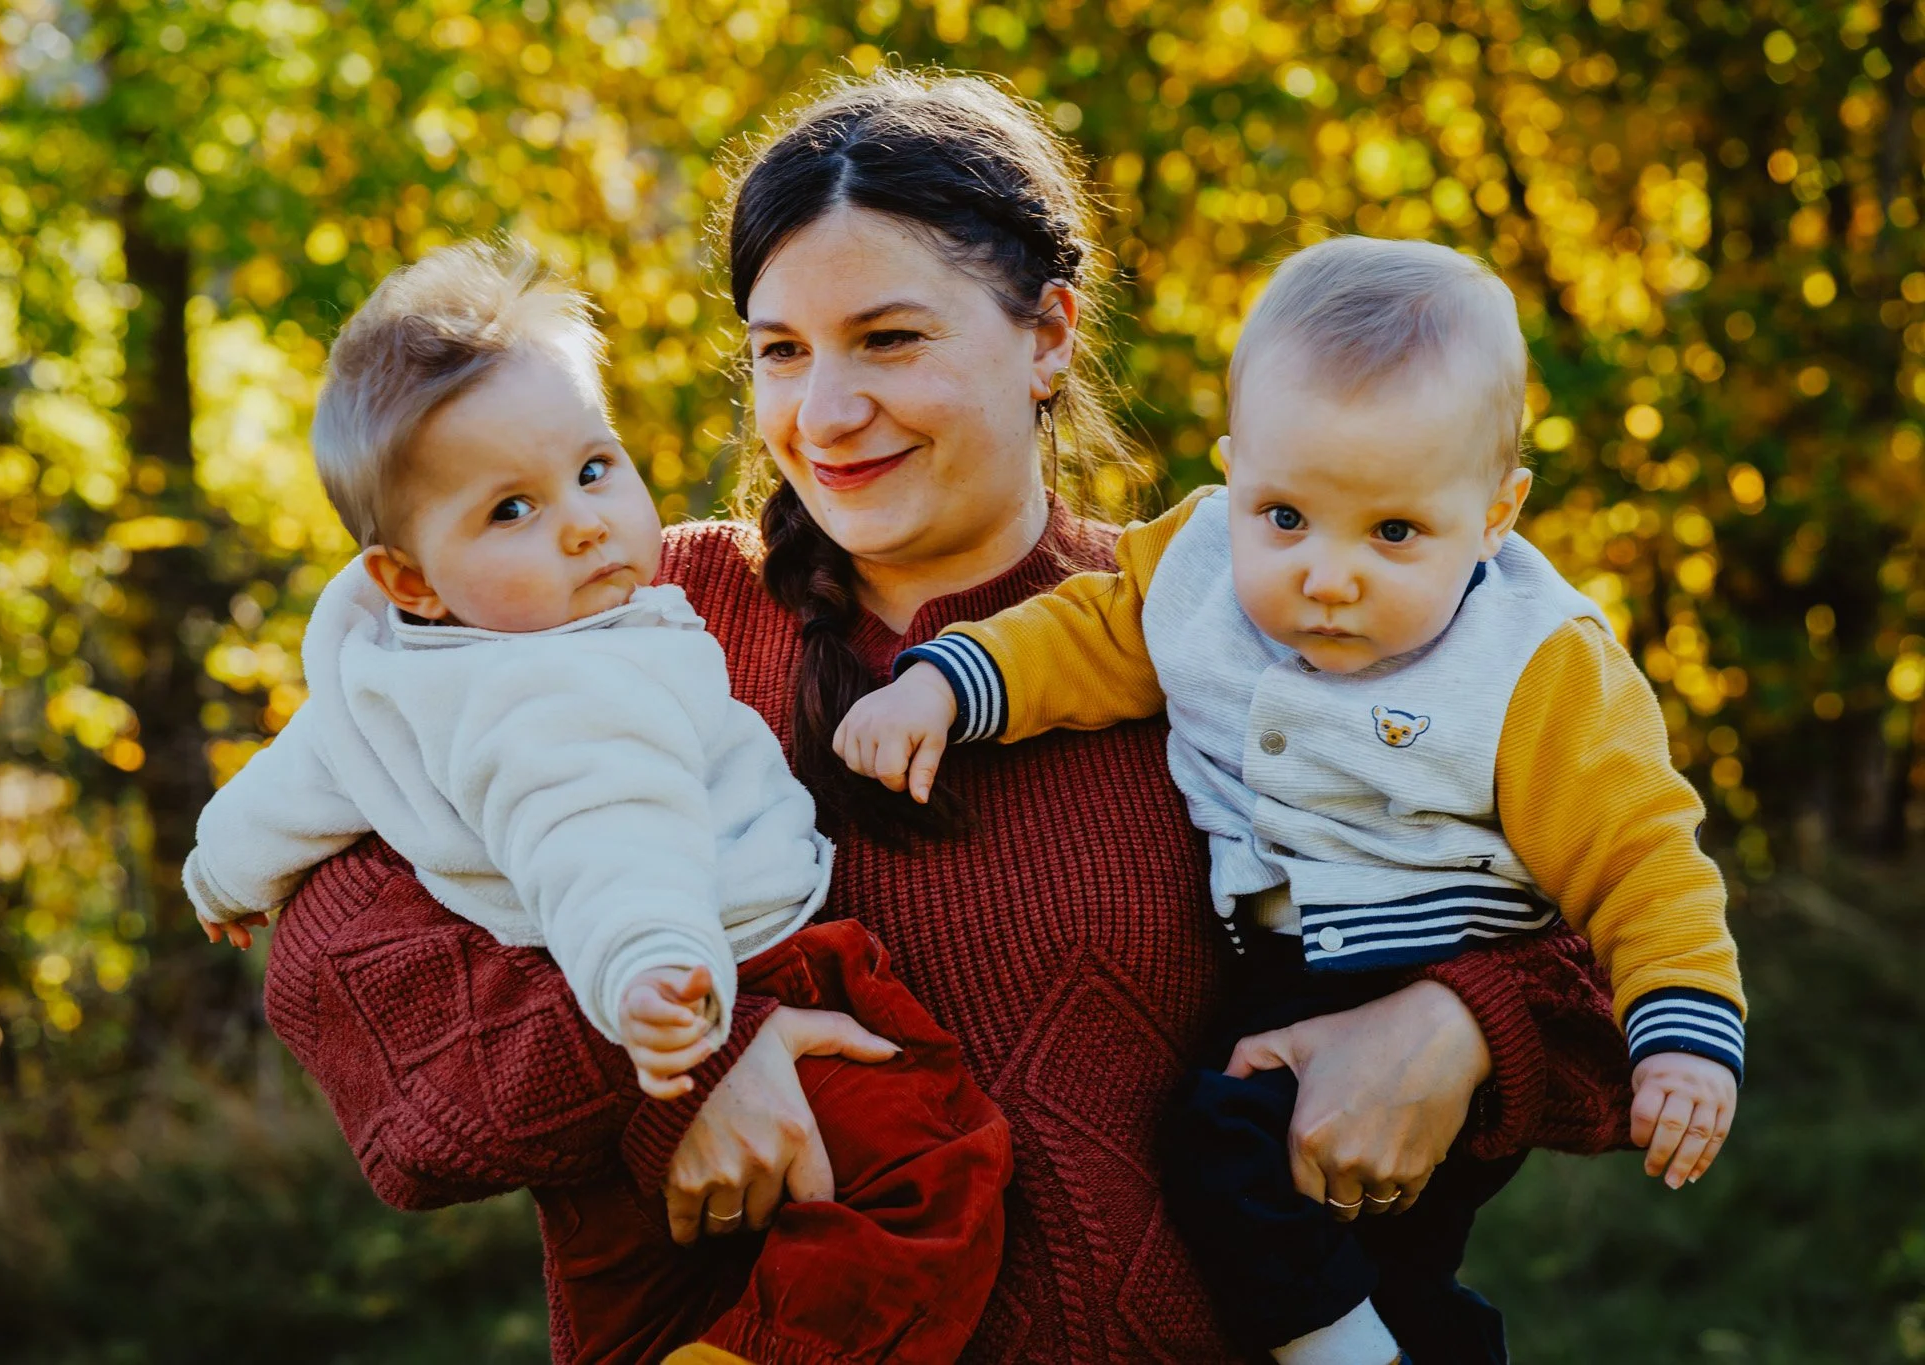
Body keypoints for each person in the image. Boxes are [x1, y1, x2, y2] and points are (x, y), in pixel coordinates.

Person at [258, 72, 1635, 1364]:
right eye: (782, 352)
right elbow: (336, 948)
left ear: (1048, 332)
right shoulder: (622, 619)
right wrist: (673, 1065)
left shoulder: (1230, 614)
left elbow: (1605, 919)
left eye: (890, 339)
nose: (828, 410)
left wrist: (1459, 1030)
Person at [836, 235, 1745, 1365]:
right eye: (1283, 517)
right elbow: (1088, 630)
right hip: (1272, 967)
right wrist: (947, 683)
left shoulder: (1533, 663)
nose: (1325, 573)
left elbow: (1638, 860)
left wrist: (1683, 1037)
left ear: (1496, 513)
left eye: (1393, 533)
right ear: (1233, 469)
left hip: (1424, 966)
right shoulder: (1199, 567)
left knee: (1227, 1150)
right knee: (1362, 1253)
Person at [183, 239, 1012, 1364]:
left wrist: (222, 871)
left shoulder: (390, 667)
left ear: (1044, 335)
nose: (580, 524)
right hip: (717, 976)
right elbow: (609, 845)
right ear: (410, 577)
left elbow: (301, 779)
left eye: (593, 469)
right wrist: (670, 1010)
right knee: (928, 1177)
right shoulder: (580, 682)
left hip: (649, 1025)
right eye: (510, 511)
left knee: (628, 1300)